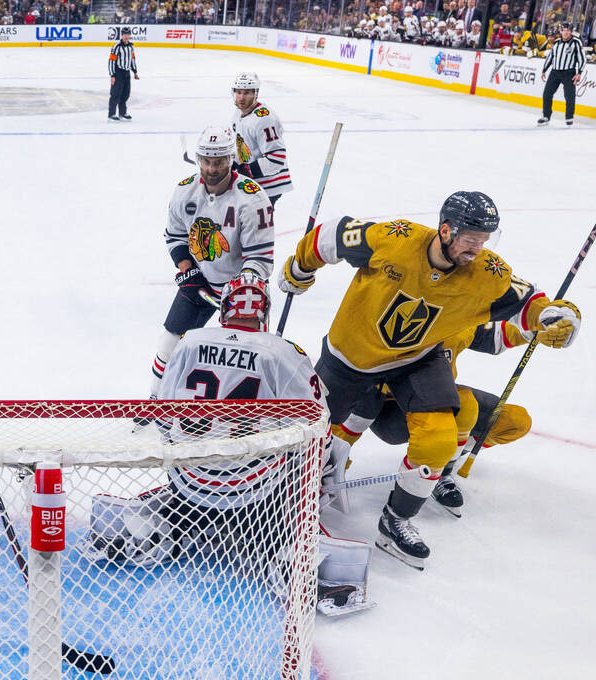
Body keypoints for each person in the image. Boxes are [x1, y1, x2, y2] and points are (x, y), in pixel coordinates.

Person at [278, 191, 581, 568]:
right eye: (471, 239)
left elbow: (528, 302)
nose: (478, 248)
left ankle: (396, 520)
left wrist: (554, 316)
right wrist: (299, 269)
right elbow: (333, 235)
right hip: (351, 357)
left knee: (439, 436)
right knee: (309, 435)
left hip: (418, 359)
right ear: (446, 230)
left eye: (485, 240)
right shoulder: (396, 239)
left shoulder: (486, 273)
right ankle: (286, 495)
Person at [86, 279, 374, 616]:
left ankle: (155, 522)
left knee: (190, 470)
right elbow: (318, 420)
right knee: (319, 450)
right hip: (257, 492)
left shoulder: (189, 341)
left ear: (224, 310)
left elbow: (162, 412)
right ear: (264, 312)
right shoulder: (284, 351)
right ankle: (291, 550)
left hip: (190, 483)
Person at [344, 320, 535, 518]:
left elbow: (495, 334)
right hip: (389, 410)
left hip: (437, 395)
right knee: (464, 406)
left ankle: (443, 469)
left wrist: (538, 323)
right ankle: (400, 512)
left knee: (514, 421)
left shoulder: (458, 313)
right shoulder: (406, 318)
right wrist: (334, 459)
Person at [147, 125, 275, 402]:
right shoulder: (185, 192)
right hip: (201, 283)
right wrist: (186, 268)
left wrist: (242, 291)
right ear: (198, 159)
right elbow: (175, 235)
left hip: (242, 293)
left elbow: (260, 258)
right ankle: (156, 401)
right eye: (206, 161)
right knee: (169, 343)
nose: (212, 168)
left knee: (242, 359)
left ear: (231, 159)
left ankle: (243, 412)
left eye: (218, 162)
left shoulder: (252, 198)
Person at [229, 72, 292, 206]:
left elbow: (276, 158)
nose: (241, 97)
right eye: (238, 92)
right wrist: (231, 163)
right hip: (253, 182)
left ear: (255, 93)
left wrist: (245, 170)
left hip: (269, 185)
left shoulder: (264, 119)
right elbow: (244, 147)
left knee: (255, 223)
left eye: (246, 93)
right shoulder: (238, 114)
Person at [538, 21, 586, 126]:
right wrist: (544, 70)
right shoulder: (556, 42)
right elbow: (551, 57)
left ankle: (569, 117)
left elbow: (582, 58)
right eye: (564, 30)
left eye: (568, 30)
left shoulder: (576, 42)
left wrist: (579, 73)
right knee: (547, 94)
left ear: (571, 31)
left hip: (569, 72)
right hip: (555, 72)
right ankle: (546, 116)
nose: (566, 33)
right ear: (560, 31)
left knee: (569, 96)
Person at [107, 27, 138, 121]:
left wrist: (135, 71)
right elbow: (111, 61)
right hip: (118, 72)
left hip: (126, 73)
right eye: (124, 34)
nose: (126, 36)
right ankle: (112, 114)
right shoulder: (116, 46)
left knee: (125, 94)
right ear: (122, 35)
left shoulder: (131, 46)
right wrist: (112, 75)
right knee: (115, 94)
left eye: (128, 34)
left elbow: (132, 59)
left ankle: (122, 112)